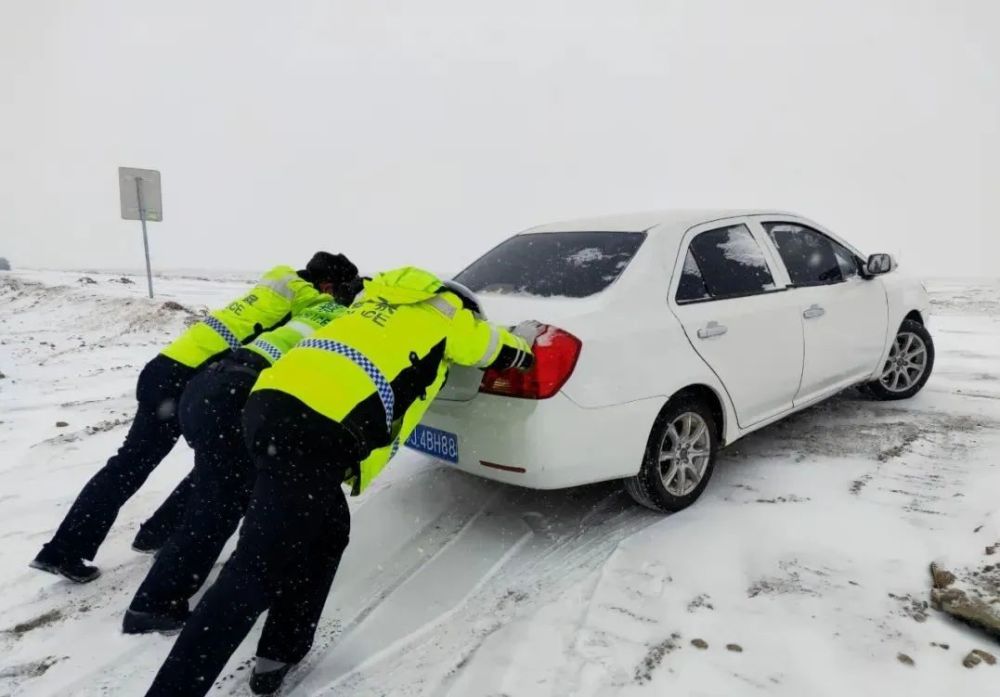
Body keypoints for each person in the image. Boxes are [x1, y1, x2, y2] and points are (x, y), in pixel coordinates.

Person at [143, 267, 537, 697]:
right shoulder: (448, 316)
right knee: (255, 569)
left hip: (269, 401)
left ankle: (282, 650)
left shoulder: (374, 302)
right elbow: (492, 347)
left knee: (329, 532)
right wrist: (525, 345)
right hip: (316, 430)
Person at [30, 253, 359, 583]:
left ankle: (107, 542)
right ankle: (122, 544)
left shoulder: (281, 285)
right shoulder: (308, 298)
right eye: (338, 290)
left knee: (147, 465)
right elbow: (325, 313)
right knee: (209, 469)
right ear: (328, 285)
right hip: (190, 380)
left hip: (166, 369)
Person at [122, 287, 358, 634]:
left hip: (213, 384)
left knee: (211, 488)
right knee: (217, 508)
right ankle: (154, 603)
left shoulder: (319, 311)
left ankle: (158, 541)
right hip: (236, 399)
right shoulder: (349, 328)